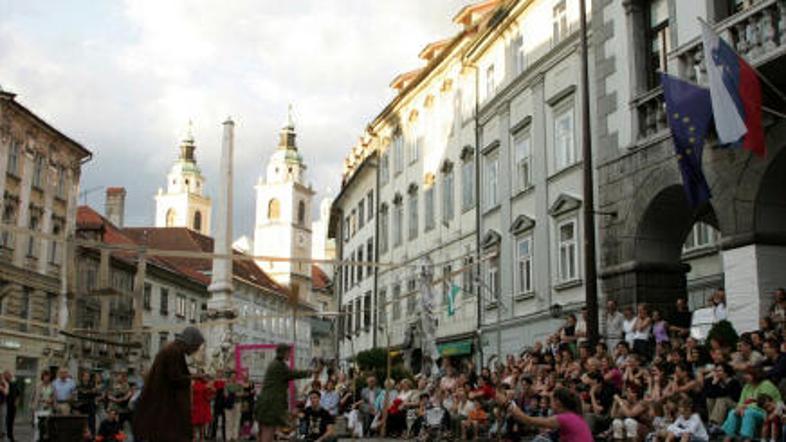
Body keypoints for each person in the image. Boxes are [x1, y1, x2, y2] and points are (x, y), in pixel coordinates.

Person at [133, 325, 205, 442]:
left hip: (164, 404)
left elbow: (176, 376)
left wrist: (195, 377)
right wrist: (196, 377)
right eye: (196, 346)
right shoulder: (173, 352)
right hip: (164, 405)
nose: (195, 350)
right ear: (190, 341)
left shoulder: (174, 350)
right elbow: (175, 378)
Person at [255, 343, 316, 442]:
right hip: (270, 405)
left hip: (269, 404)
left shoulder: (277, 364)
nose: (289, 355)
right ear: (283, 353)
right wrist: (310, 372)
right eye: (288, 352)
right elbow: (293, 373)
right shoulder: (278, 365)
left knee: (269, 432)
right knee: (267, 433)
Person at [498, 386, 593, 441]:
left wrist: (506, 403)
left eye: (551, 400)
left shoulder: (564, 418)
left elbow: (527, 420)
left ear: (558, 402)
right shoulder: (575, 415)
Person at [32, 370, 54, 441]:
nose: (46, 378)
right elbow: (34, 396)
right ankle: (36, 439)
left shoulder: (52, 386)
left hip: (48, 408)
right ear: (42, 377)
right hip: (39, 407)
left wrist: (51, 400)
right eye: (45, 376)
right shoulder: (38, 385)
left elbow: (54, 397)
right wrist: (42, 400)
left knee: (47, 425)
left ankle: (44, 439)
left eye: (48, 376)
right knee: (37, 425)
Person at [76, 370, 99, 437]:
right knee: (82, 423)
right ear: (82, 377)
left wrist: (90, 392)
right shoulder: (79, 385)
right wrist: (90, 392)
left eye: (88, 376)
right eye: (85, 376)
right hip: (82, 406)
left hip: (91, 406)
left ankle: (93, 436)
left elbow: (95, 393)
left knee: (92, 422)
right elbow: (82, 392)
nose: (87, 378)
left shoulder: (92, 384)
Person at [191, 371, 213, 442]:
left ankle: (201, 438)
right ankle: (195, 437)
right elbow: (191, 394)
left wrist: (210, 393)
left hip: (203, 405)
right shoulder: (194, 384)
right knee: (194, 423)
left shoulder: (205, 384)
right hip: (196, 405)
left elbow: (208, 396)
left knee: (202, 423)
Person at [224, 371, 243, 442]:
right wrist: (234, 394)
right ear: (230, 377)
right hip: (229, 404)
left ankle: (234, 436)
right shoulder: (227, 385)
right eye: (232, 376)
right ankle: (228, 437)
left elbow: (241, 393)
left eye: (235, 376)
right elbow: (225, 394)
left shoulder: (239, 384)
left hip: (237, 403)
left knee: (236, 420)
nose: (233, 378)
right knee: (228, 420)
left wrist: (233, 393)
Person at [3, 371, 19, 442]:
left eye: (10, 375)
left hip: (12, 406)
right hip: (5, 405)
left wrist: (16, 402)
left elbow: (18, 393)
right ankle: (5, 436)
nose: (9, 376)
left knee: (11, 422)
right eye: (8, 375)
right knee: (5, 421)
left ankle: (10, 436)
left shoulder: (14, 384)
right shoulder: (3, 383)